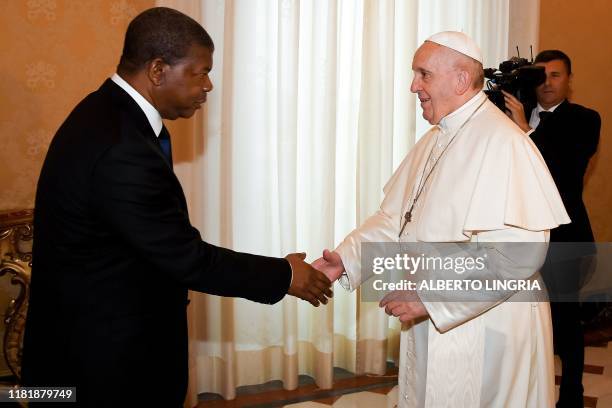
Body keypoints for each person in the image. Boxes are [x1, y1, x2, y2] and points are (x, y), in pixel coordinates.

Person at [21, 7, 332, 407]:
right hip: (104, 367)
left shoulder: (107, 113)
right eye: (200, 71)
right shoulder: (122, 146)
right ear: (157, 70)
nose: (208, 86)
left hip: (87, 349)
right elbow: (186, 258)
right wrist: (285, 275)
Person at [313, 32, 570, 407]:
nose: (413, 86)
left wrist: (433, 298)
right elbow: (396, 217)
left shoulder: (504, 143)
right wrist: (347, 257)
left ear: (461, 80)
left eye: (423, 74)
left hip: (489, 324)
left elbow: (520, 254)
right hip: (435, 312)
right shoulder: (437, 137)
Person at [504, 50, 601, 407]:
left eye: (556, 75)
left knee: (564, 321)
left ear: (569, 80)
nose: (547, 81)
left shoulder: (585, 119)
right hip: (518, 237)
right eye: (540, 74)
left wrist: (526, 132)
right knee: (522, 320)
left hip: (565, 238)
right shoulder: (513, 112)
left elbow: (565, 171)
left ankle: (571, 395)